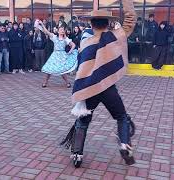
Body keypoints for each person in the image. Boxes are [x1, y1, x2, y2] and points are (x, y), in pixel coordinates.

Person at [60, 0, 137, 168]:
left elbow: (83, 64)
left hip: (90, 88)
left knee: (83, 120)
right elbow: (130, 19)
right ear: (108, 23)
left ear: (91, 24)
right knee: (121, 117)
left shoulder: (85, 41)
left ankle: (77, 154)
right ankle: (124, 143)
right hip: (108, 88)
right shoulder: (114, 37)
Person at [39, 22, 77, 88]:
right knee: (49, 68)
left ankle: (67, 82)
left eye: (63, 30)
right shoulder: (54, 37)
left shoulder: (66, 39)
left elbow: (73, 45)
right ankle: (45, 82)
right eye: (61, 30)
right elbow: (46, 32)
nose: (62, 31)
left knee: (62, 70)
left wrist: (70, 51)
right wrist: (42, 24)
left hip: (62, 55)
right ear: (58, 31)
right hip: (55, 55)